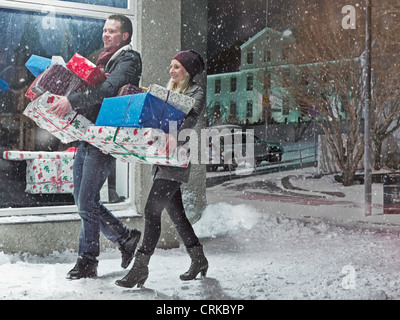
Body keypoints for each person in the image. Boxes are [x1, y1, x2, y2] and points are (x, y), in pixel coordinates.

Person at [48, 14, 142, 280]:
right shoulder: (104, 59)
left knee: (86, 200)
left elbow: (110, 89)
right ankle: (124, 238)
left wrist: (71, 101)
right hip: (89, 133)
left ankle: (88, 260)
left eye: (112, 31)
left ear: (125, 36)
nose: (105, 35)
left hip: (106, 136)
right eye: (104, 30)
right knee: (82, 199)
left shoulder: (129, 59)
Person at [115, 49, 208, 288]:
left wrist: (175, 134)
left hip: (175, 160)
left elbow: (191, 117)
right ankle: (199, 259)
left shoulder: (196, 92)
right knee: (177, 216)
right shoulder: (168, 93)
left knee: (150, 211)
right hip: (160, 159)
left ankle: (140, 268)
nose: (171, 70)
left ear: (187, 71)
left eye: (177, 66)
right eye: (171, 66)